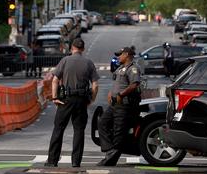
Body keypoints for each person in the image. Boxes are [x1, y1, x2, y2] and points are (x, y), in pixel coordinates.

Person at [45, 38, 99, 168]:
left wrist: (54, 97)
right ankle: (76, 162)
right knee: (79, 130)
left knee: (59, 128)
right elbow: (95, 85)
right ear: (83, 49)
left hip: (65, 100)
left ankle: (52, 161)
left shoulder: (65, 61)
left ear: (72, 48)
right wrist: (91, 99)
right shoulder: (89, 63)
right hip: (81, 100)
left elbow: (55, 80)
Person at [97, 47, 141, 166]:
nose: (118, 57)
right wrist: (111, 93)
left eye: (120, 55)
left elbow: (134, 85)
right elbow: (117, 83)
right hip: (115, 104)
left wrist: (121, 94)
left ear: (126, 55)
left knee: (118, 132)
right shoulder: (120, 68)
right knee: (102, 123)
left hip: (124, 105)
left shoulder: (133, 69)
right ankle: (109, 150)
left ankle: (110, 159)